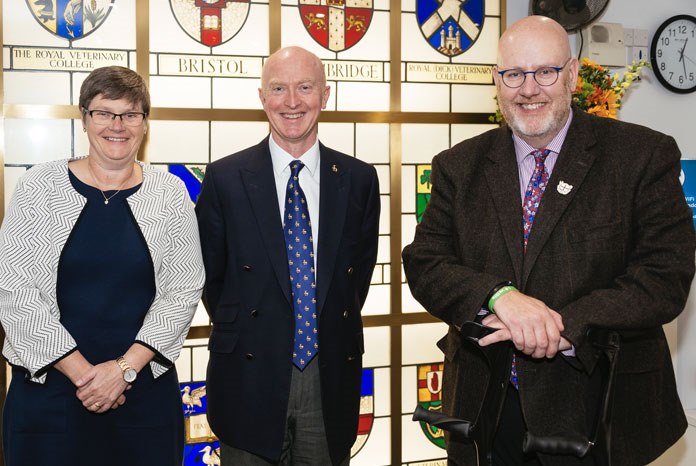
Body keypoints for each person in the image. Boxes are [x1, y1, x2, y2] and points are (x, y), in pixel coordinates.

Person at [402, 15, 695, 466]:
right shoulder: (458, 166)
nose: (529, 88)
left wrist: (562, 326)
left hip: (599, 407)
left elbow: (664, 277)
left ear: (573, 75)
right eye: (514, 74)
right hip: (486, 413)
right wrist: (498, 297)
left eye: (545, 72)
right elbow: (426, 262)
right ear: (497, 82)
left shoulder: (642, 156)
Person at [0, 66, 205, 466]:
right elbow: (14, 289)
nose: (118, 125)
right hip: (49, 398)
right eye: (104, 112)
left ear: (145, 124)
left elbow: (182, 291)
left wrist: (123, 370)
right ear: (84, 118)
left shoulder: (170, 193)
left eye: (130, 114)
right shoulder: (38, 187)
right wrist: (86, 376)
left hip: (142, 393)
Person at [196, 46, 380, 465]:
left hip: (328, 374)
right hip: (248, 371)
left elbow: (356, 279)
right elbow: (212, 279)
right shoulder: (225, 178)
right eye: (278, 88)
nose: (292, 102)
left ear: (326, 95)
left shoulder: (358, 180)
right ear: (262, 97)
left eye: (305, 87)